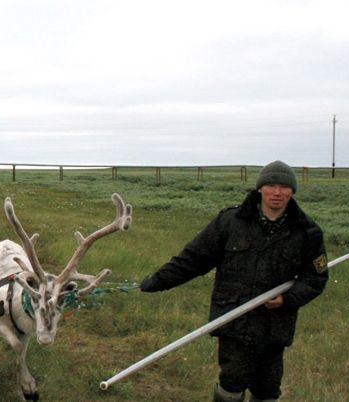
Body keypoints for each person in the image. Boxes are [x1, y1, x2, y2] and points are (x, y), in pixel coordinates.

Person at [139, 160, 328, 402]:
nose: (277, 193)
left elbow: (316, 278)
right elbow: (193, 259)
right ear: (260, 188)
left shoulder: (307, 232)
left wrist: (287, 299)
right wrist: (157, 281)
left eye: (284, 187)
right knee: (233, 380)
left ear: (292, 191)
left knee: (268, 387)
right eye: (271, 185)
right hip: (234, 318)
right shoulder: (230, 222)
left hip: (275, 325)